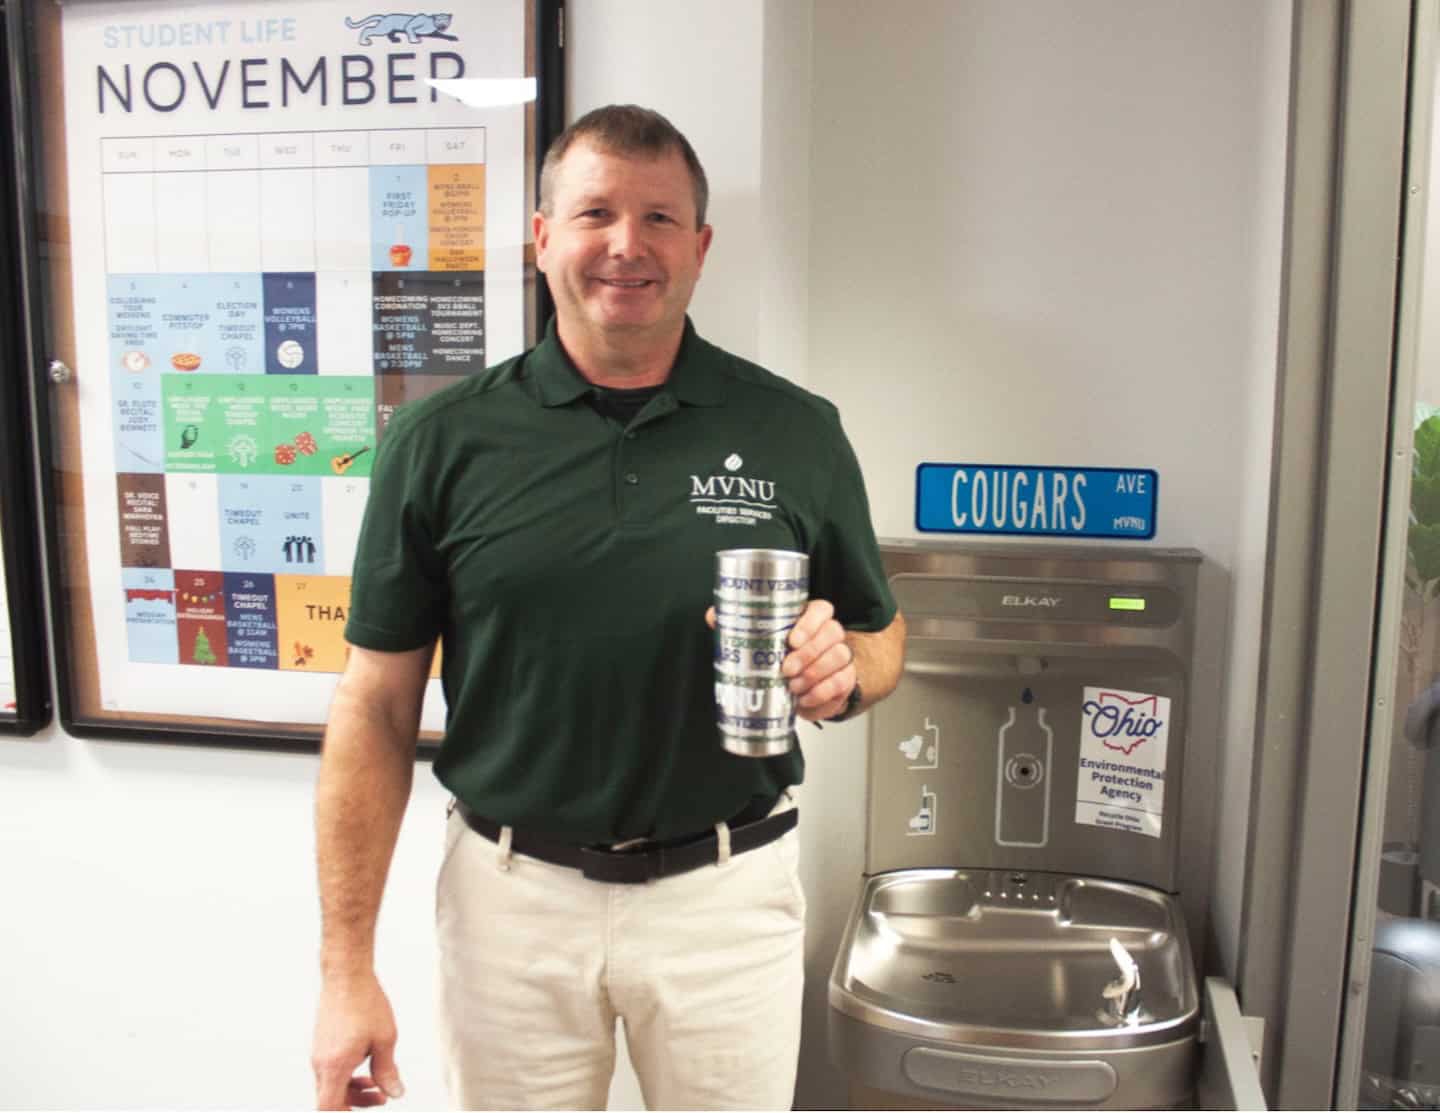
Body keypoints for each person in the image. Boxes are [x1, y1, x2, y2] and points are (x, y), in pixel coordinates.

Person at [310, 104, 907, 1111]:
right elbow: (373, 705)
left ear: (702, 247)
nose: (627, 245)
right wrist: (344, 970)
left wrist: (843, 671)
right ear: (543, 238)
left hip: (728, 896)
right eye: (595, 214)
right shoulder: (439, 441)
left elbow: (881, 635)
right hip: (511, 904)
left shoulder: (795, 429)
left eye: (660, 219)